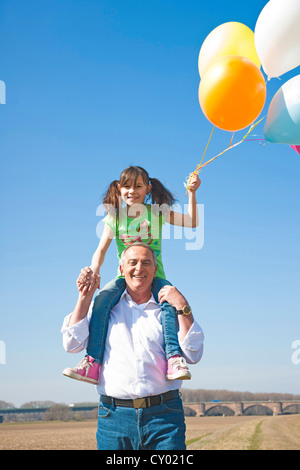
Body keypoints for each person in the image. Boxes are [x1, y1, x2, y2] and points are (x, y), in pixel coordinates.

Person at [63, 166, 201, 385]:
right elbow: (100, 250)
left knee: (167, 306)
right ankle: (92, 362)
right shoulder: (114, 217)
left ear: (148, 188)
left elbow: (192, 221)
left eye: (138, 186)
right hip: (123, 277)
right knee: (101, 302)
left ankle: (174, 358)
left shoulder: (156, 212)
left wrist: (192, 193)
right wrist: (94, 271)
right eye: (127, 186)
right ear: (119, 188)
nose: (132, 191)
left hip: (155, 276)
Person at [61, 243, 204, 450]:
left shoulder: (170, 309)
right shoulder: (105, 307)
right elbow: (71, 345)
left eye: (146, 263)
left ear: (155, 270)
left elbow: (194, 354)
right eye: (132, 263)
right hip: (114, 418)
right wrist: (85, 296)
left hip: (165, 417)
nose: (139, 268)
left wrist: (183, 306)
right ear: (121, 269)